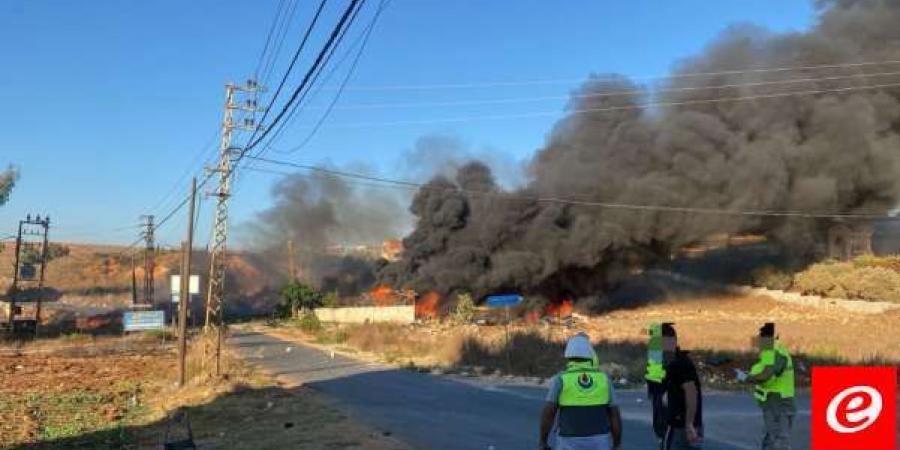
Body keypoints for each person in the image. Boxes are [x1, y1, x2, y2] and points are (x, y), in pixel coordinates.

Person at [540, 333, 622, 450]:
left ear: (568, 355)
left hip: (569, 441)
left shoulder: (562, 379)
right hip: (599, 441)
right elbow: (614, 414)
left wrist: (543, 440)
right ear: (590, 355)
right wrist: (617, 444)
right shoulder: (603, 379)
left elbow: (549, 412)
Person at [734, 322, 795, 450]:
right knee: (771, 438)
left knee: (779, 440)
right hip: (772, 403)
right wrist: (748, 375)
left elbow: (766, 374)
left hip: (779, 403)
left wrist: (747, 378)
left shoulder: (776, 353)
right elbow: (764, 372)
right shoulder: (770, 352)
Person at [661, 323, 703, 450]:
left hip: (681, 427)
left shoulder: (679, 363)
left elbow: (691, 391)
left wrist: (689, 424)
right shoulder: (675, 362)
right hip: (688, 425)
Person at [645, 322, 668, 444]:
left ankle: (662, 437)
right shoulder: (657, 346)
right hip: (660, 388)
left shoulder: (656, 346)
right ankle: (663, 437)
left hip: (660, 388)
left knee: (660, 416)